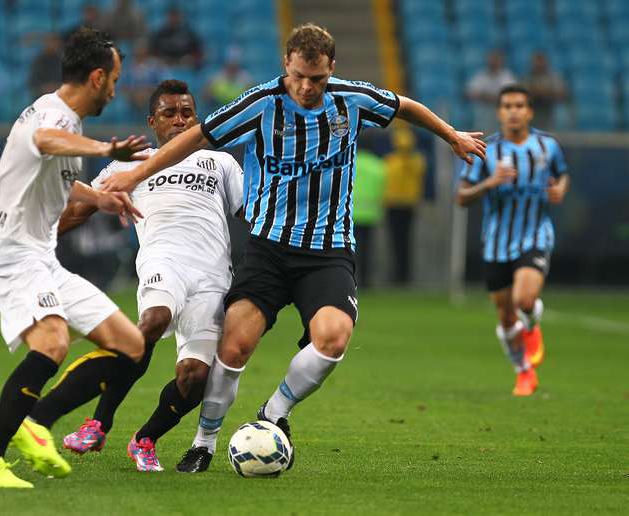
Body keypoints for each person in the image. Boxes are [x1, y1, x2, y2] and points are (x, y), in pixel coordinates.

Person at [100, 23, 486, 472]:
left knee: (333, 339)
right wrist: (133, 175)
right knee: (233, 348)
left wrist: (452, 135)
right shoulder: (260, 104)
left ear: (331, 69)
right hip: (267, 250)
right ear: (287, 65)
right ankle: (203, 442)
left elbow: (406, 106)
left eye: (317, 78)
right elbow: (198, 135)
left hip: (328, 250)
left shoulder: (351, 99)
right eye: (300, 75)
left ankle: (275, 412)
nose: (307, 87)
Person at [0, 28, 150, 489]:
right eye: (116, 80)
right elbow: (44, 140)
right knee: (52, 342)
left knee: (131, 345)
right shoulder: (52, 115)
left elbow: (55, 179)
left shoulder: (68, 121)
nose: (116, 89)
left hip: (39, 257)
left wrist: (99, 198)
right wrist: (106, 150)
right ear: (98, 76)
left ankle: (35, 421)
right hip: (12, 255)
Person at [21, 79, 243, 472]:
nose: (179, 120)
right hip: (163, 263)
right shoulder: (129, 163)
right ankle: (99, 422)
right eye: (169, 113)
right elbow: (79, 211)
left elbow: (252, 214)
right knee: (151, 323)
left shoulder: (221, 162)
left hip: (212, 278)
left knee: (194, 378)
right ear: (152, 121)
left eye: (187, 113)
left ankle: (145, 439)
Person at [456, 84, 569, 396]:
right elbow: (462, 197)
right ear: (499, 112)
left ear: (530, 111)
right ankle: (523, 372)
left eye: (520, 105)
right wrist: (490, 182)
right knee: (506, 316)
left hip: (535, 234)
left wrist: (560, 189)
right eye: (507, 106)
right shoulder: (486, 151)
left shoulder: (548, 147)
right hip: (496, 243)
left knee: (524, 300)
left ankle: (531, 325)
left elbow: (562, 175)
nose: (513, 111)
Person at [383, 127, 426, 285]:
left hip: (399, 204)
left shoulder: (391, 161)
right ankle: (401, 274)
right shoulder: (417, 161)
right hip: (402, 204)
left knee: (398, 241)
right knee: (403, 242)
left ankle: (401, 275)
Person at [351, 148, 385, 288]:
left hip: (351, 213)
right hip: (370, 214)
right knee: (367, 249)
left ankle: (350, 279)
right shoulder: (378, 166)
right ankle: (366, 281)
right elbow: (382, 189)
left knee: (349, 249)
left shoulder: (351, 161)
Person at [466, 50, 516, 134]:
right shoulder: (481, 76)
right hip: (482, 119)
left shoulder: (507, 76)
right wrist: (494, 97)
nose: (494, 62)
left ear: (501, 61)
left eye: (496, 60)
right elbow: (470, 93)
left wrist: (485, 96)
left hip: (501, 120)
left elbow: (512, 95)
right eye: (492, 59)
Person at [525, 52, 567, 131]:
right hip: (533, 113)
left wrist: (546, 92)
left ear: (546, 62)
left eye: (541, 61)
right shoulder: (527, 78)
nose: (539, 65)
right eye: (536, 62)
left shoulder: (554, 77)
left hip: (551, 111)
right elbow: (523, 95)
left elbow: (562, 94)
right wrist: (535, 92)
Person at [28, 33, 63, 98]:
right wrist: (45, 88)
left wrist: (57, 87)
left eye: (55, 42)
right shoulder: (39, 61)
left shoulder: (63, 60)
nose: (53, 44)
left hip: (60, 97)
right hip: (42, 97)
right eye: (50, 42)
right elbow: (33, 82)